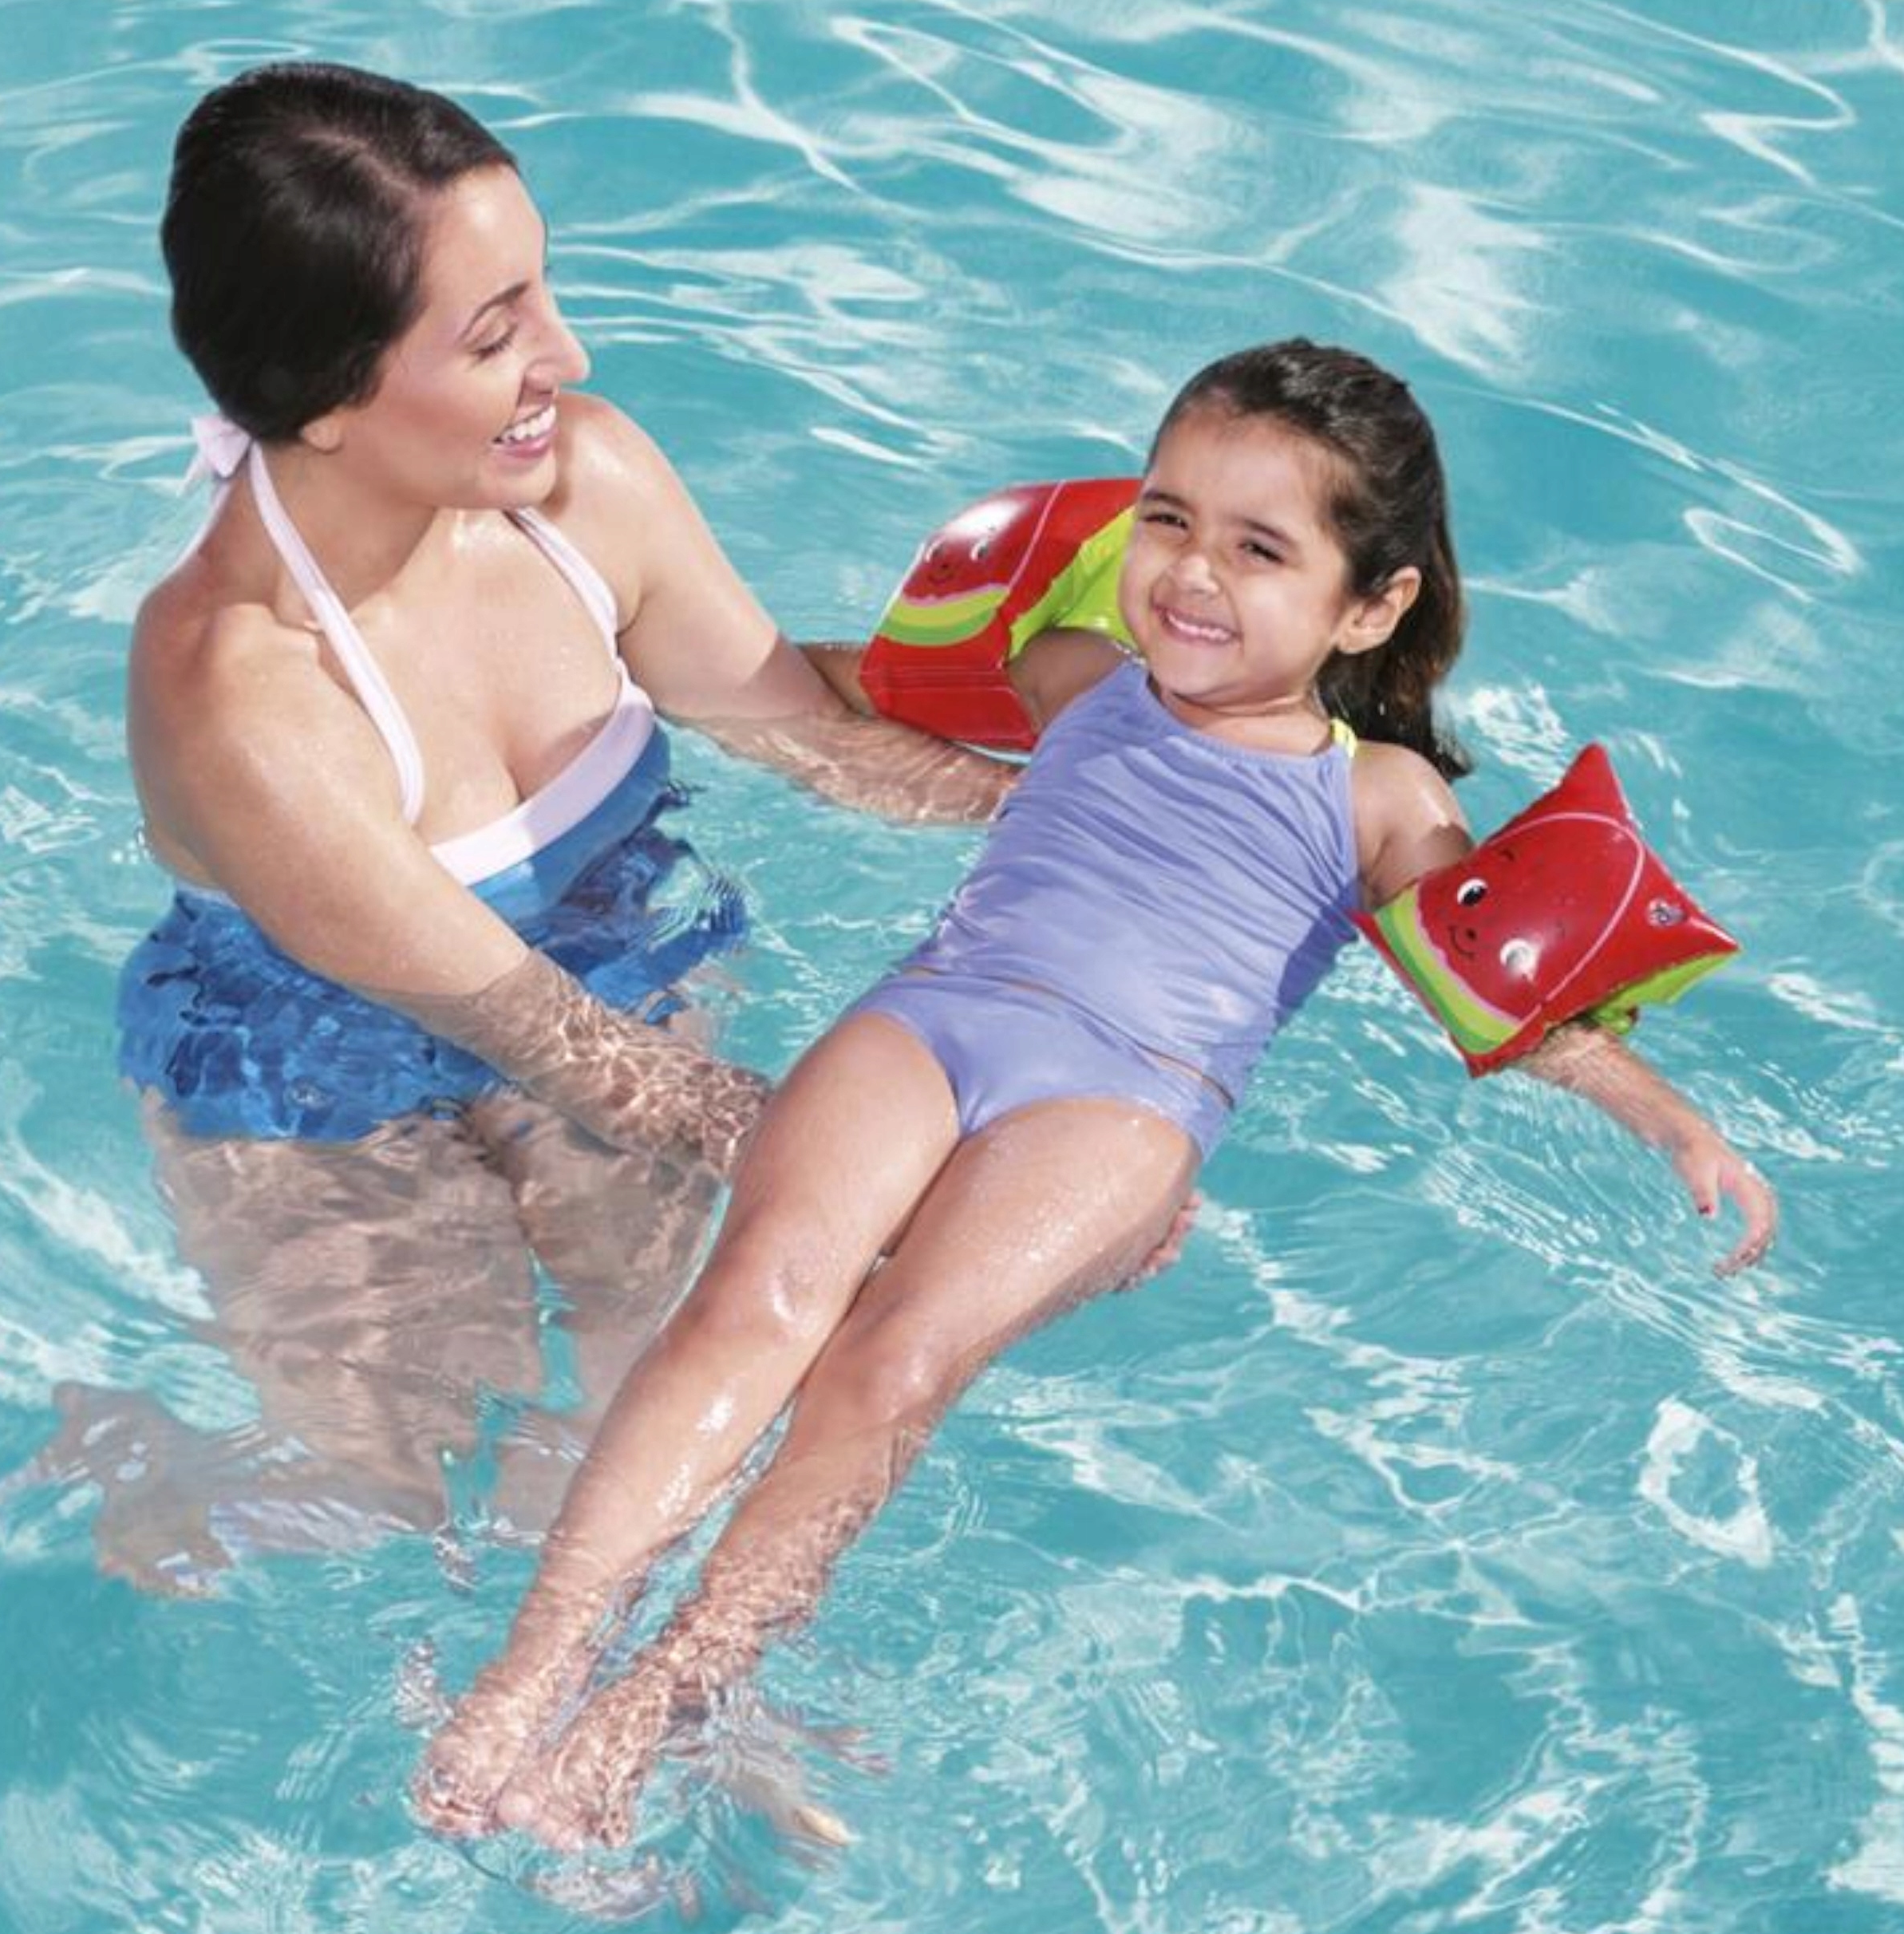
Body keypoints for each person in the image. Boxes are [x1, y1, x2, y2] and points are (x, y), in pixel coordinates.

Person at [414, 337, 1779, 1849]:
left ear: (1371, 605)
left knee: (892, 1361)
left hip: (1125, 1099)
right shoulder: (1074, 678)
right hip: (940, 1015)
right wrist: (639, 667)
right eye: (1169, 517)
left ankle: (659, 1699)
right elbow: (843, 694)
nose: (1192, 572)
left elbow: (1494, 992)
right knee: (759, 1293)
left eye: (1260, 549)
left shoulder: (1380, 798)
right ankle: (529, 1671)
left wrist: (1675, 1123)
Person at [0, 61, 1025, 1591]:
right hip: (316, 1071)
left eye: (541, 292)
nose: (565, 355)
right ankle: (149, 1465)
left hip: (602, 959)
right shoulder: (241, 687)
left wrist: (1092, 808)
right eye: (494, 333)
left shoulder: (583, 487)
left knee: (658, 1414)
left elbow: (809, 735)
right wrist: (925, 1176)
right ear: (328, 401)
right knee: (391, 1494)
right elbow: (563, 1050)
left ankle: (672, 1698)